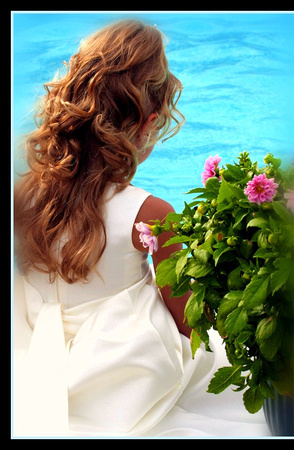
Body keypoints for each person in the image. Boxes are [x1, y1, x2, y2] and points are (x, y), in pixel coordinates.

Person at [13, 19, 270, 438]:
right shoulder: (147, 212)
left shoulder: (22, 193)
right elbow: (188, 322)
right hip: (123, 377)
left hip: (34, 359)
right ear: (149, 123)